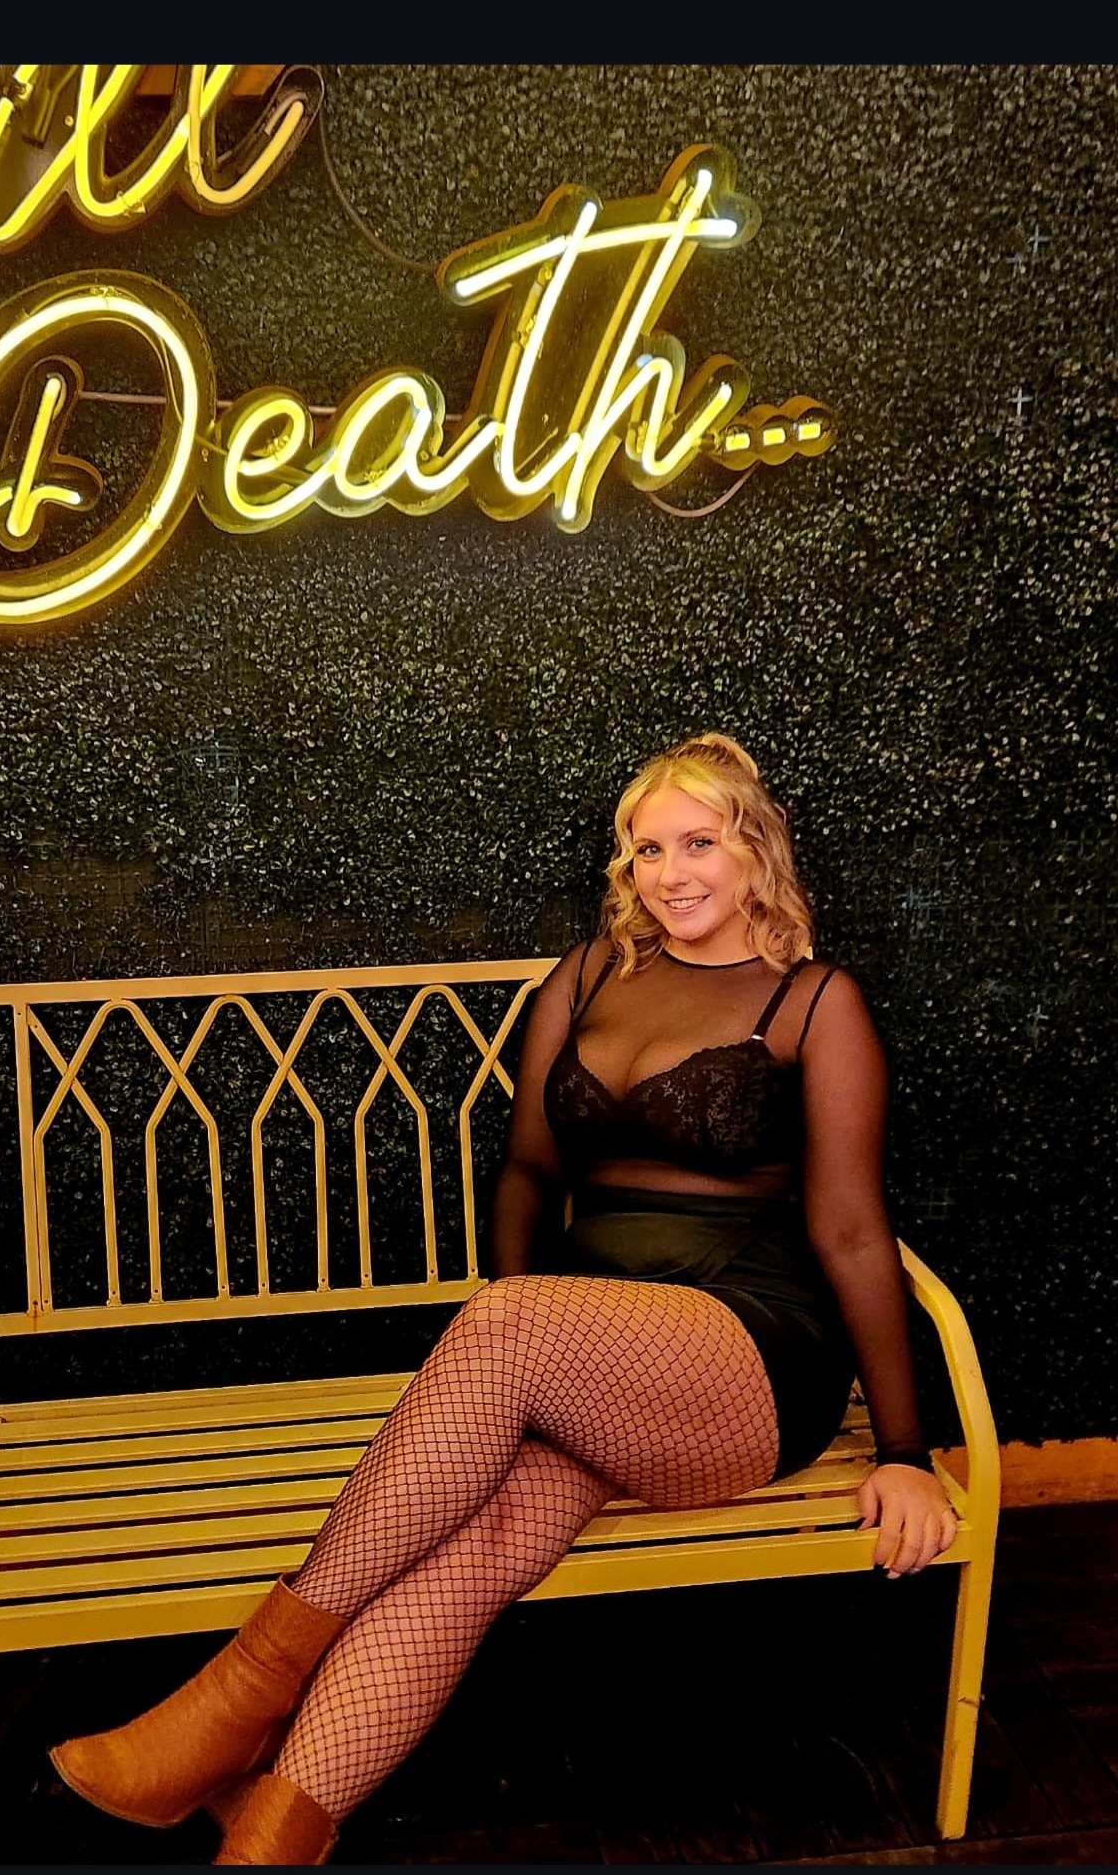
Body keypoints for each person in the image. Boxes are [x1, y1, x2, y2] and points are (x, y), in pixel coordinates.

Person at [50, 733, 958, 1864]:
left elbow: (853, 1229)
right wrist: (515, 1378)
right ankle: (275, 1834)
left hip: (748, 1357)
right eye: (646, 850)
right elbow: (528, 1170)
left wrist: (907, 1450)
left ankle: (240, 1690)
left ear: (754, 850)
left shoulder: (816, 1000)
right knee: (472, 1550)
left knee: (506, 1318)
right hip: (589, 1362)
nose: (670, 874)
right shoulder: (587, 975)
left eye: (698, 843)